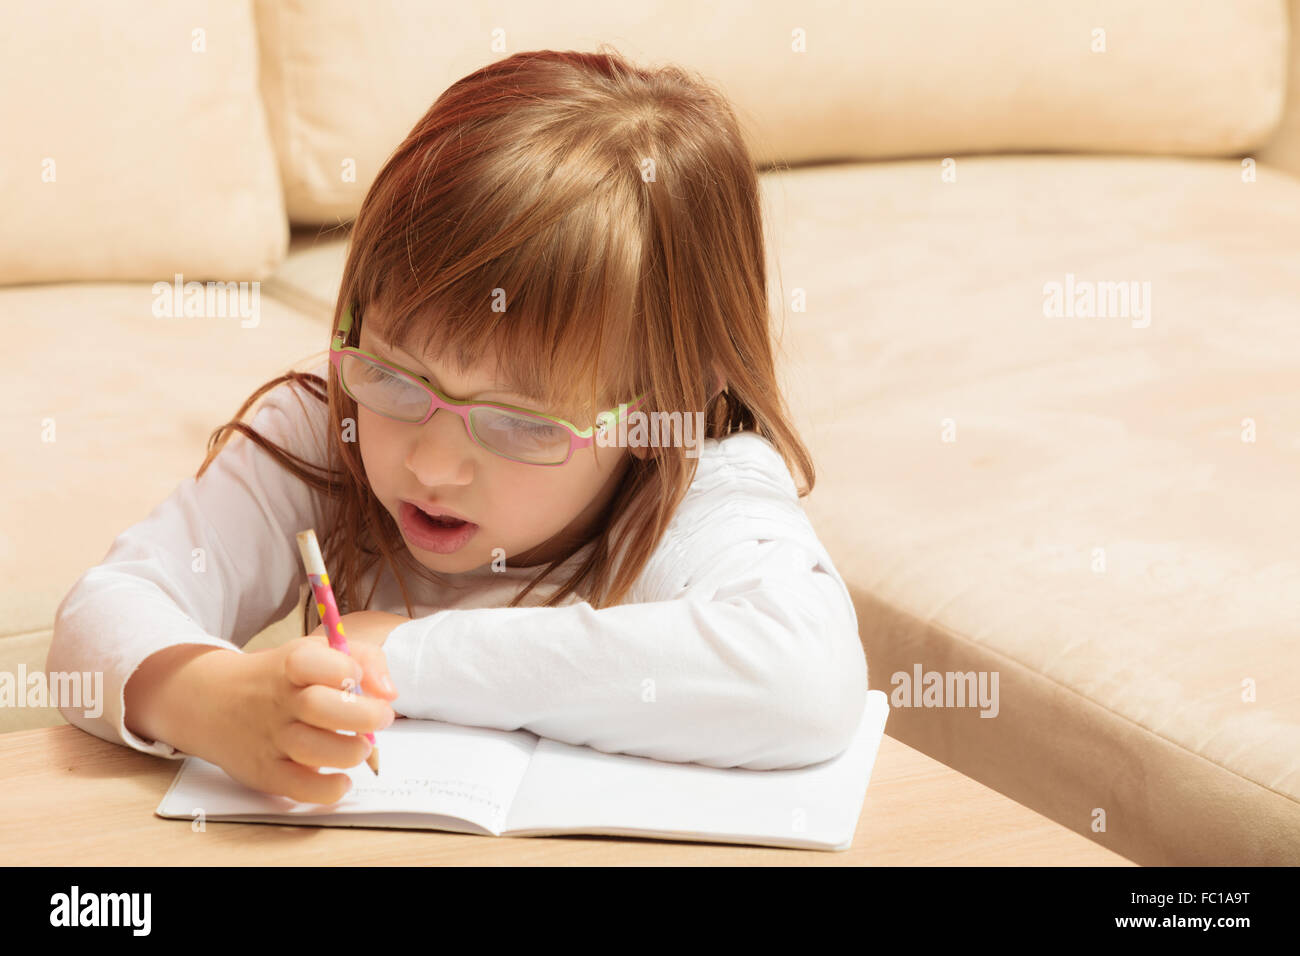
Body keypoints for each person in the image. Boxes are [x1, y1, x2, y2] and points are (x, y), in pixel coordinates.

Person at [48, 48, 867, 805]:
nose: (434, 463)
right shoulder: (324, 426)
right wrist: (205, 698)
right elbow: (102, 616)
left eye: (518, 422)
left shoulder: (693, 476)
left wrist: (404, 656)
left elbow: (805, 679)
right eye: (397, 376)